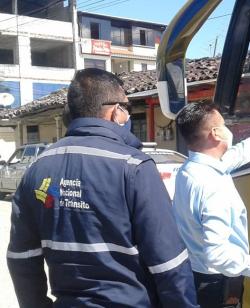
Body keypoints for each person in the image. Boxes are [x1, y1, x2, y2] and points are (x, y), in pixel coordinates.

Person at [7, 68, 198, 308]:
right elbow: (168, 261)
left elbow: (22, 257)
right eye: (126, 107)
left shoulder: (37, 167)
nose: (127, 115)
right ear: (114, 111)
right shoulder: (134, 166)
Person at [173, 102, 250, 307]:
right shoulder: (212, 185)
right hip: (217, 282)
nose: (228, 130)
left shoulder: (192, 169)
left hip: (197, 274)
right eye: (224, 125)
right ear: (216, 133)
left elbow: (243, 151)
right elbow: (217, 254)